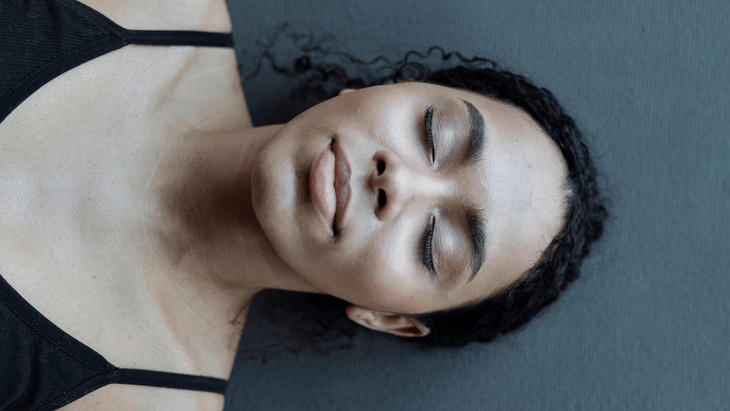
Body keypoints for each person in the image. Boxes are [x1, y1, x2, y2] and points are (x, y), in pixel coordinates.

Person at [0, 0, 606, 410]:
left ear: (387, 318)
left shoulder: (136, 403)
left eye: (434, 244)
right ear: (381, 89)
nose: (399, 182)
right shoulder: (154, 6)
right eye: (432, 134)